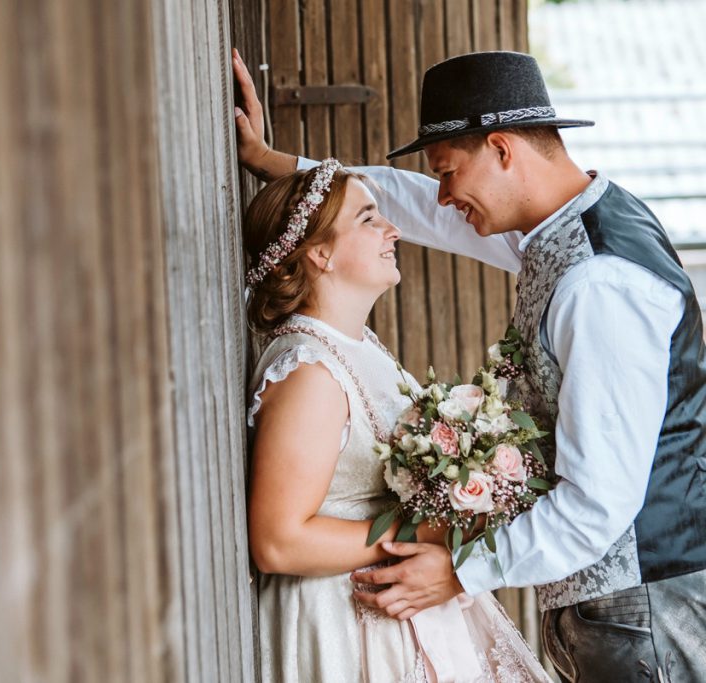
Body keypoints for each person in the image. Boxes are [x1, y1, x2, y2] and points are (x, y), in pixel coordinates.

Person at [234, 48, 706, 681]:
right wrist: (278, 166)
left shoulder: (598, 283)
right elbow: (415, 204)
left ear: (503, 150)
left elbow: (598, 505)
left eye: (451, 170)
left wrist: (460, 568)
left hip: (646, 611)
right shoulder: (560, 226)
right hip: (609, 610)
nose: (447, 193)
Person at [243, 157, 551, 681]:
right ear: (319, 252)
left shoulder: (357, 346)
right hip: (344, 622)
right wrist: (421, 530)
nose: (394, 230)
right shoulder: (308, 374)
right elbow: (278, 541)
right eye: (368, 219)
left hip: (393, 600)